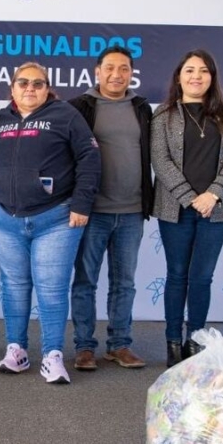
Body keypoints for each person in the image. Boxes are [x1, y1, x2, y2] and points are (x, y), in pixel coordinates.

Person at [0, 62, 101, 384]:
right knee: (14, 286)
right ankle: (17, 351)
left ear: (48, 87)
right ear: (11, 87)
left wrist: (82, 204)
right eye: (23, 82)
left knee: (51, 289)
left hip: (56, 218)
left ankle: (52, 355)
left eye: (38, 83)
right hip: (5, 219)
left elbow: (90, 158)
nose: (30, 88)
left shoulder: (65, 115)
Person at [151, 49, 223, 367]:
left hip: (216, 209)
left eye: (203, 71)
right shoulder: (163, 115)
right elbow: (160, 160)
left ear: (212, 77)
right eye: (189, 70)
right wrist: (190, 196)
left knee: (202, 277)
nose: (196, 76)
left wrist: (214, 194)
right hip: (175, 208)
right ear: (179, 76)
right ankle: (173, 342)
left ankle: (196, 341)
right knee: (177, 275)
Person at [68, 45, 154, 371]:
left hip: (132, 210)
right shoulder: (79, 107)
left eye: (123, 69)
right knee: (85, 280)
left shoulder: (142, 109)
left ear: (131, 73)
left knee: (125, 283)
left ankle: (119, 345)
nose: (116, 75)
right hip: (92, 211)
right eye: (110, 68)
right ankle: (84, 347)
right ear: (97, 72)